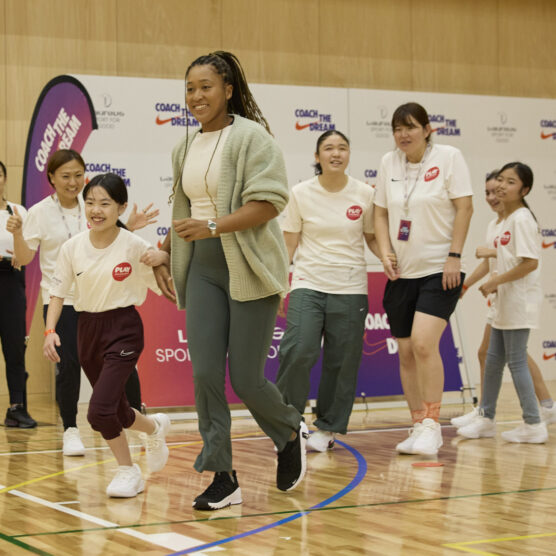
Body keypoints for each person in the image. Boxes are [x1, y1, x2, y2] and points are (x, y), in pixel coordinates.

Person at [153, 50, 307, 511]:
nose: (196, 96)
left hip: (249, 264)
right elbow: (186, 210)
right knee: (203, 373)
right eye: (190, 88)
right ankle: (223, 474)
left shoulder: (252, 138)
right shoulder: (185, 146)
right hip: (201, 265)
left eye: (205, 87)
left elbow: (270, 202)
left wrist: (215, 227)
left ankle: (288, 430)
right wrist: (163, 249)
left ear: (228, 90)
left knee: (245, 377)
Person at [7, 149, 157, 454]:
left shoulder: (93, 204)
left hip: (100, 297)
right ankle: (70, 429)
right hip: (61, 299)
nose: (73, 182)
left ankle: (137, 418)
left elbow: (110, 238)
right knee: (69, 365)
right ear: (51, 178)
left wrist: (130, 225)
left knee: (122, 366)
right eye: (65, 176)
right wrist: (20, 234)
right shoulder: (39, 213)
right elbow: (22, 259)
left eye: (78, 175)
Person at [43, 173, 170, 497]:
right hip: (88, 329)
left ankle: (128, 472)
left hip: (124, 328)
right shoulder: (73, 247)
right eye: (90, 203)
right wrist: (50, 330)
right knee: (119, 411)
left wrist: (165, 257)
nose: (95, 210)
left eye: (104, 203)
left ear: (121, 207)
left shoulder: (135, 245)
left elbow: (167, 287)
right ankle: (155, 428)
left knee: (98, 410)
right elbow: (57, 292)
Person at [373, 102, 473, 456]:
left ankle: (433, 424)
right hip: (402, 272)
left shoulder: (448, 157)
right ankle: (417, 425)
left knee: (423, 344)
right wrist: (384, 251)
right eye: (398, 128)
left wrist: (455, 256)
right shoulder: (389, 163)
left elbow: (465, 206)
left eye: (411, 127)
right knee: (405, 353)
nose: (404, 134)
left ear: (428, 129)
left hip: (439, 269)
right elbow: (381, 212)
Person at [275, 130, 379, 452]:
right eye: (328, 148)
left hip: (350, 288)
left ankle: (328, 427)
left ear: (349, 155)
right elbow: (288, 244)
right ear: (317, 157)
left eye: (343, 148)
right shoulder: (300, 193)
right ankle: (289, 423)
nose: (336, 153)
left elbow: (372, 237)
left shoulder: (364, 193)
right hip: (308, 283)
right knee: (298, 350)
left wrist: (390, 254)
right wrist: (281, 286)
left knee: (341, 361)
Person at [452, 171, 556, 429]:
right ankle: (487, 414)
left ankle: (541, 411)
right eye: (488, 191)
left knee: (513, 356)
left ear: (523, 190)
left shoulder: (520, 219)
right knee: (495, 353)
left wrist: (495, 275)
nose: (493, 195)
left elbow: (527, 260)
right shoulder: (497, 224)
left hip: (515, 296)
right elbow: (493, 262)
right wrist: (466, 284)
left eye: (504, 185)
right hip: (501, 297)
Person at [0, 161, 36, 427]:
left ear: (5, 178)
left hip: (11, 279)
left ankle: (17, 407)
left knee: (15, 346)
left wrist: (18, 235)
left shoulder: (18, 211)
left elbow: (27, 250)